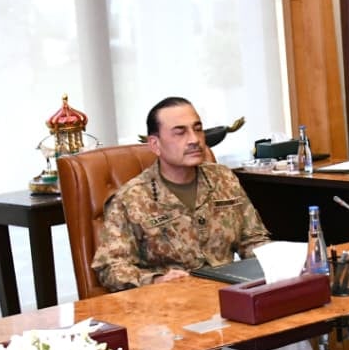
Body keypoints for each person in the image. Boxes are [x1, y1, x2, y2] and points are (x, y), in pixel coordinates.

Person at [92, 97, 269, 290]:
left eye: (198, 129)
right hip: (171, 304)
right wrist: (156, 280)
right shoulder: (131, 199)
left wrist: (278, 261)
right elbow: (111, 267)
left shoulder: (223, 178)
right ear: (155, 144)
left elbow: (253, 239)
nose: (194, 140)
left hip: (228, 293)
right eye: (180, 132)